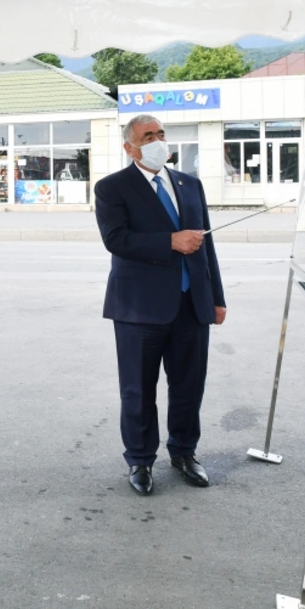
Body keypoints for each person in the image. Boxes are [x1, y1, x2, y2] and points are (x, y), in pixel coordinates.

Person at [94, 115, 226, 496]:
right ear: (129, 147)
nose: (157, 141)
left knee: (189, 387)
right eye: (147, 136)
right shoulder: (112, 188)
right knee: (138, 390)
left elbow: (206, 245)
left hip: (191, 305)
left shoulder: (189, 184)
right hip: (139, 309)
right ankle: (140, 459)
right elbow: (116, 239)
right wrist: (170, 241)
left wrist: (216, 298)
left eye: (161, 134)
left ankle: (184, 452)